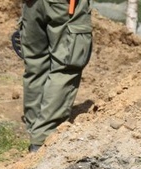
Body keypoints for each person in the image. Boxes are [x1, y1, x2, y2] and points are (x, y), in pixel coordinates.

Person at [20, 0, 93, 152]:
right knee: (67, 65)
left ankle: (35, 129)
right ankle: (44, 138)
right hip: (63, 5)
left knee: (36, 63)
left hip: (32, 4)